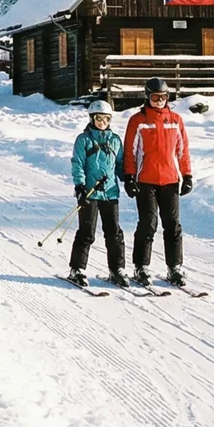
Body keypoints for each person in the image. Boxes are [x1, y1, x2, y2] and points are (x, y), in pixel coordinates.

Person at [122, 77, 193, 287]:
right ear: (147, 97)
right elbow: (130, 151)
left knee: (172, 225)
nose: (159, 101)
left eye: (163, 97)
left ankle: (175, 268)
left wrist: (187, 175)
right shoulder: (138, 120)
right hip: (146, 180)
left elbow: (182, 150)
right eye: (155, 97)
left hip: (170, 180)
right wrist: (129, 176)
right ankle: (141, 267)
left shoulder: (175, 120)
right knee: (148, 224)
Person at [69, 100, 127, 287]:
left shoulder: (115, 140)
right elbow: (77, 164)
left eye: (106, 119)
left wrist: (129, 179)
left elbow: (119, 165)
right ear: (92, 118)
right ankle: (77, 269)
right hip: (90, 193)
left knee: (114, 233)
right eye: (98, 118)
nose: (102, 122)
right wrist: (80, 187)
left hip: (110, 193)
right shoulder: (83, 139)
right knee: (87, 232)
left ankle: (117, 269)